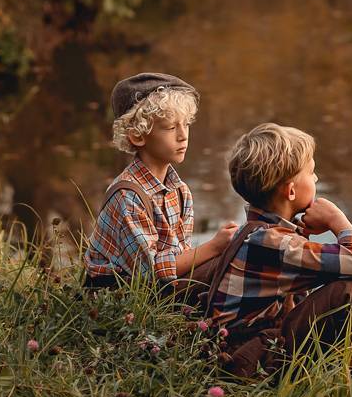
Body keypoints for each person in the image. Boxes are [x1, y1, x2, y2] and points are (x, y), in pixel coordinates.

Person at [205, 122, 352, 376]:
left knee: (342, 286)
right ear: (291, 190)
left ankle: (347, 372)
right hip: (244, 361)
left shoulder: (257, 232)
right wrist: (337, 220)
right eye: (312, 172)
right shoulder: (274, 243)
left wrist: (304, 232)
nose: (316, 179)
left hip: (243, 347)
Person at [83, 72, 238, 293]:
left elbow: (182, 256)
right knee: (223, 268)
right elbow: (150, 272)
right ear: (138, 136)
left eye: (186, 124)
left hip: (159, 288)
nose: (183, 136)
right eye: (170, 128)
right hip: (119, 297)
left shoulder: (180, 191)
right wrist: (214, 246)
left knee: (235, 260)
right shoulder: (127, 196)